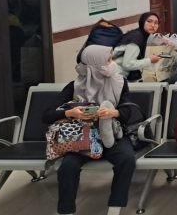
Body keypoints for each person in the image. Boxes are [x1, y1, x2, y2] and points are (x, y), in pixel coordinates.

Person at [43, 45, 138, 215]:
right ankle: (66, 211)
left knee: (127, 159)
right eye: (108, 60)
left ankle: (115, 208)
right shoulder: (74, 86)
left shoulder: (119, 83)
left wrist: (114, 113)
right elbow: (47, 115)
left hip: (111, 135)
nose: (112, 63)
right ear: (94, 65)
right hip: (81, 137)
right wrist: (70, 113)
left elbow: (128, 111)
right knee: (68, 166)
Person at [113, 12, 160, 81]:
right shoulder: (136, 39)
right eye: (149, 21)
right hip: (117, 76)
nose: (153, 25)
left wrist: (163, 41)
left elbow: (149, 39)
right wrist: (150, 60)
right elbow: (127, 64)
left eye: (156, 23)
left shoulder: (139, 33)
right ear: (142, 22)